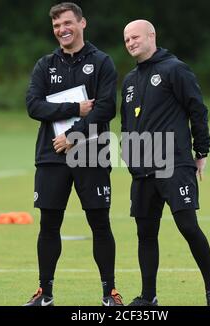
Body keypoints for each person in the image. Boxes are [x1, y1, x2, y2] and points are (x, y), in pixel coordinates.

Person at [24, 2, 123, 306]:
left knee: (99, 223)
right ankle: (45, 292)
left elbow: (107, 108)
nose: (62, 30)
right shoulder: (45, 64)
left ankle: (109, 292)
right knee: (49, 225)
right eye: (56, 26)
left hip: (91, 154)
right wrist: (73, 110)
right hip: (52, 156)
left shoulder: (102, 62)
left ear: (82, 24)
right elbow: (33, 106)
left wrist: (73, 136)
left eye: (67, 23)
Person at [121, 20, 210, 306]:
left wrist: (201, 151)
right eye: (127, 39)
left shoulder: (175, 69)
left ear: (152, 35)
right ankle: (148, 296)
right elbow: (126, 122)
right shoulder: (129, 81)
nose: (131, 42)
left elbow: (197, 110)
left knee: (188, 226)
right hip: (142, 170)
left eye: (136, 37)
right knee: (145, 234)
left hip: (174, 164)